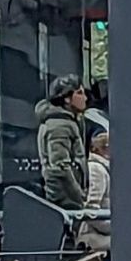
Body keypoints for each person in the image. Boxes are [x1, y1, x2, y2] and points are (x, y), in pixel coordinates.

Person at [35, 75, 92, 211]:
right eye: (79, 93)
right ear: (66, 98)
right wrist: (79, 195)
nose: (85, 98)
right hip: (65, 201)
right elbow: (60, 166)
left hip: (66, 199)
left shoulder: (65, 122)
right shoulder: (60, 126)